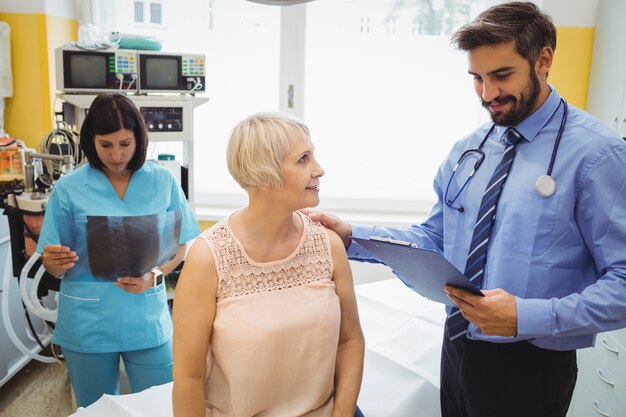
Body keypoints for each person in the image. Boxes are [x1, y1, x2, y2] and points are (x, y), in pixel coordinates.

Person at [305, 2, 626, 417]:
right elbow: (434, 240)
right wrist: (351, 235)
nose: (488, 94)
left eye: (502, 75)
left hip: (531, 365)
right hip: (456, 347)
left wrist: (526, 316)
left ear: (543, 60)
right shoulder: (470, 150)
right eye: (477, 78)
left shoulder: (597, 156)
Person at [172, 112, 365, 417]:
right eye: (303, 159)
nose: (319, 169)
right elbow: (188, 377)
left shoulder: (328, 244)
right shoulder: (208, 257)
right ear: (263, 176)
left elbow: (350, 340)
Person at [37, 93, 201, 408]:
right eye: (106, 145)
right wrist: (53, 263)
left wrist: (152, 277)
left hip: (146, 319)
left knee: (159, 406)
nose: (116, 155)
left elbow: (178, 248)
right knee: (96, 410)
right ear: (90, 142)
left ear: (139, 139)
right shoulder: (68, 188)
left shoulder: (162, 181)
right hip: (87, 320)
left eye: (125, 143)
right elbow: (55, 264)